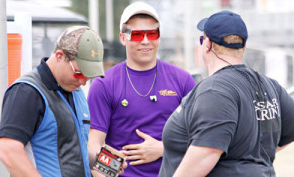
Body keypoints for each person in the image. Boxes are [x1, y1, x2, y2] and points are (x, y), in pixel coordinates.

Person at [159, 10, 294, 177]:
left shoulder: (215, 91)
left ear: (207, 44)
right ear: (244, 47)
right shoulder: (270, 86)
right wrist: (251, 161)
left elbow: (205, 154)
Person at [87, 1, 196, 177]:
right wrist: (113, 167)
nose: (146, 41)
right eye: (137, 35)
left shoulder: (182, 80)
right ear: (123, 38)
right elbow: (93, 145)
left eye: (152, 34)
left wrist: (163, 148)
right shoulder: (104, 84)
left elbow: (201, 138)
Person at [0, 26, 105, 177]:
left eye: (89, 75)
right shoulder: (27, 91)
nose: (83, 81)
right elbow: (8, 151)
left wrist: (105, 163)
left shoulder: (76, 90)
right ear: (60, 56)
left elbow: (75, 148)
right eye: (79, 73)